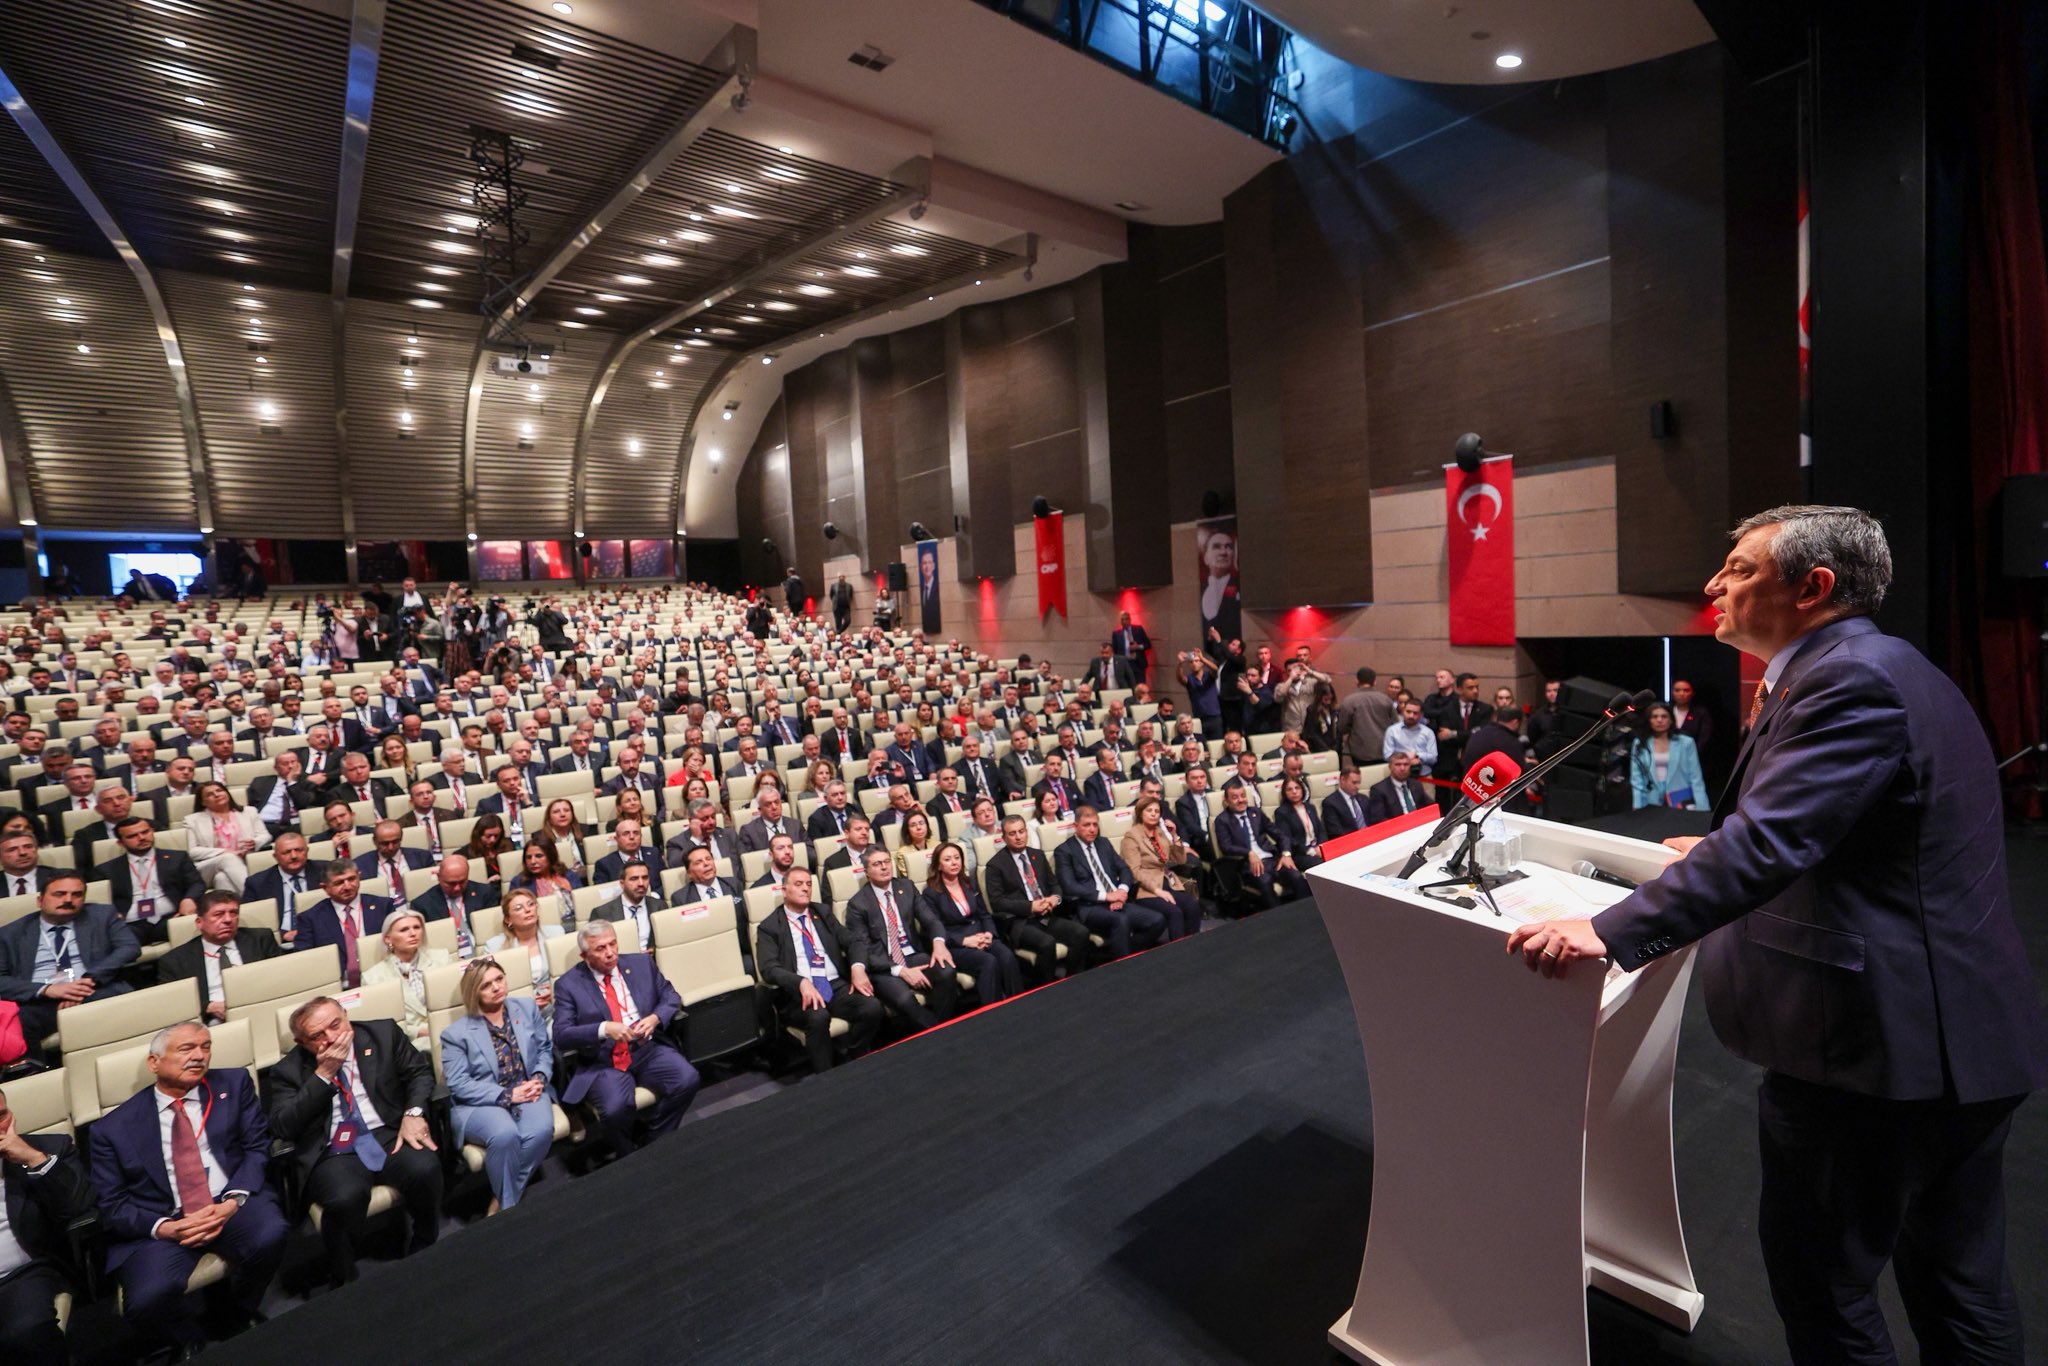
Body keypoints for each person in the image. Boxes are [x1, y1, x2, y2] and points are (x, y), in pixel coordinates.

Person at [1507, 505, 2048, 1365]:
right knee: (1958, 1286)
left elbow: (1774, 842)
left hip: (1877, 1059)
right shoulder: (1869, 666)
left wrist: (1609, 930)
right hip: (1945, 1043)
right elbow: (1852, 830)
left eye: (1739, 568)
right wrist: (1715, 847)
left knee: (1825, 1291)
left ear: (1813, 587)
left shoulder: (1848, 679)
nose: (1714, 585)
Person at [87, 1021, 287, 1353]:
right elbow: (113, 1204)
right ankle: (189, 1341)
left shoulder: (233, 1084)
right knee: (145, 1301)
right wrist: (168, 1228)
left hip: (227, 1202)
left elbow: (256, 1147)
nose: (199, 1056)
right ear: (154, 1063)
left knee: (272, 1234)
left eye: (205, 1047)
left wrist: (232, 1201)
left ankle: (237, 1313)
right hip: (165, 1219)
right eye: (186, 1049)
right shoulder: (113, 1128)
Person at [268, 996, 441, 1287]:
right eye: (317, 1036)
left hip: (386, 1130)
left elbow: (419, 1073)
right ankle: (343, 1272)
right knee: (345, 1197)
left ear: (346, 1016)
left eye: (336, 1025)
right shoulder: (287, 1071)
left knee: (425, 1168)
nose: (331, 1037)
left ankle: (425, 1243)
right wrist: (323, 1075)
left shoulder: (382, 1034)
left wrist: (413, 1113)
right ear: (301, 1043)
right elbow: (283, 1124)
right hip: (334, 1147)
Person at [551, 920, 699, 1161]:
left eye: (612, 944)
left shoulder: (641, 964)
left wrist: (654, 1018)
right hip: (604, 1059)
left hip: (646, 1048)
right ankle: (628, 1156)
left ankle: (655, 1140)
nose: (610, 953)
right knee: (614, 1110)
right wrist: (603, 1029)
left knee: (688, 1079)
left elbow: (671, 996)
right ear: (585, 955)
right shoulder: (568, 985)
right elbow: (561, 1034)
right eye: (600, 948)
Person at [439, 958, 555, 1213]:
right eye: (486, 985)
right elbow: (459, 1084)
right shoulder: (456, 1034)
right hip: (482, 1100)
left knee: (542, 1131)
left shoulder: (526, 1008)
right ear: (474, 992)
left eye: (499, 979)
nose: (495, 987)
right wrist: (507, 1095)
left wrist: (539, 1078)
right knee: (505, 1135)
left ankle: (503, 1200)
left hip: (527, 1087)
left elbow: (545, 1050)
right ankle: (509, 1206)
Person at [0, 1080, 96, 1366]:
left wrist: (32, 1159)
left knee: (25, 1332)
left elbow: (81, 1208)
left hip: (24, 1275)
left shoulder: (49, 1148)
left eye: (1, 1115)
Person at [754, 867, 882, 1073]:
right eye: (798, 884)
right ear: (784, 891)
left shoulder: (821, 912)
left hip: (834, 984)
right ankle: (826, 1076)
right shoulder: (770, 927)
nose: (806, 889)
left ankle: (854, 1057)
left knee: (872, 1007)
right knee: (818, 1017)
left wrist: (858, 968)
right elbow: (769, 968)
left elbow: (854, 941)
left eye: (809, 884)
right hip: (798, 994)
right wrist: (800, 982)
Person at [0, 873, 138, 1060]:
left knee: (122, 997)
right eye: (59, 894)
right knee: (19, 1022)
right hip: (42, 1000)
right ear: (40, 900)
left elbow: (129, 947)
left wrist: (88, 980)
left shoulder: (102, 915)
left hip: (94, 990)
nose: (68, 900)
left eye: (77, 894)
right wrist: (47, 989)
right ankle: (37, 1077)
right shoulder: (10, 933)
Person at [842, 846, 960, 1032]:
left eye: (887, 862)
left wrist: (939, 944)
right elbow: (863, 949)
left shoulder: (906, 887)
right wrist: (901, 971)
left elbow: (931, 920)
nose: (884, 867)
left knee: (946, 971)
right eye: (877, 864)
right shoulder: (858, 904)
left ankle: (942, 1025)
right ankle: (941, 1033)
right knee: (905, 1000)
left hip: (911, 953)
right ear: (866, 871)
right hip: (884, 966)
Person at [918, 842, 1022, 1004]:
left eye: (957, 858)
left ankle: (1019, 1002)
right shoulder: (931, 893)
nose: (954, 862)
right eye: (947, 859)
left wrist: (988, 933)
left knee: (1007, 956)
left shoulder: (968, 882)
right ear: (938, 865)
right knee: (988, 961)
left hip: (981, 936)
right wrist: (965, 941)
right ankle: (993, 1011)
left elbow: (984, 914)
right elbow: (934, 927)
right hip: (955, 944)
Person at [156, 891, 281, 1022]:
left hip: (261, 1008)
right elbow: (172, 1001)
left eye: (233, 913)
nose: (228, 920)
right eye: (218, 914)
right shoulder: (175, 960)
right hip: (211, 1020)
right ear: (199, 922)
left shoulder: (260, 940)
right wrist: (208, 1006)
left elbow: (279, 977)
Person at [94, 816, 205, 944]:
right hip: (131, 924)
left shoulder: (177, 858)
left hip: (171, 918)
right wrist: (114, 915)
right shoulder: (106, 870)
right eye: (132, 836)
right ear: (121, 842)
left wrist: (189, 899)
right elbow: (101, 903)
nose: (141, 838)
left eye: (145, 832)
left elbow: (196, 883)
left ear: (152, 831)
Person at [362, 909, 454, 1044]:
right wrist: (418, 1031)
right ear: (388, 938)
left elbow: (457, 1002)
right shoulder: (373, 978)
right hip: (409, 1044)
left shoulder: (442, 958)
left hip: (449, 1031)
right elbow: (380, 1025)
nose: (413, 933)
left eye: (417, 927)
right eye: (404, 930)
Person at [1118, 794, 1201, 941]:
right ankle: (1178, 953)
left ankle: (1192, 945)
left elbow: (1180, 860)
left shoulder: (1160, 833)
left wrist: (1175, 835)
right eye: (1149, 810)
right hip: (1146, 889)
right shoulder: (1131, 837)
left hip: (1167, 882)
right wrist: (1158, 891)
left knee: (1192, 905)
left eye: (1157, 811)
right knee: (1174, 912)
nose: (1153, 814)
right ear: (1140, 813)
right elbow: (1134, 871)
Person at [483, 888, 565, 1019]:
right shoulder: (494, 947)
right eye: (518, 908)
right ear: (508, 919)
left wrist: (557, 992)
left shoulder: (556, 933)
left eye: (531, 904)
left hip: (556, 1007)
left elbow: (568, 972)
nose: (528, 910)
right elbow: (492, 989)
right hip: (518, 1014)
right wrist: (526, 1003)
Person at [183, 781, 270, 893]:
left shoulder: (249, 812)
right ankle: (257, 895)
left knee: (222, 878)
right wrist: (226, 852)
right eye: (210, 794)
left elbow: (265, 835)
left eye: (219, 790)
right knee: (228, 858)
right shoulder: (192, 820)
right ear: (203, 802)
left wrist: (255, 842)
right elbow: (192, 852)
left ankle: (243, 907)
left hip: (245, 861)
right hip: (208, 867)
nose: (216, 794)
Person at [1629, 703, 1708, 810]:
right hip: (1651, 803)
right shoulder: (1640, 744)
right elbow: (1636, 780)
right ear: (1649, 720)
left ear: (1671, 720)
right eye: (1655, 716)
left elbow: (1696, 777)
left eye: (1664, 716)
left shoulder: (1686, 743)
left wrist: (1703, 809)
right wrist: (1637, 808)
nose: (1659, 720)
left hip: (1680, 801)